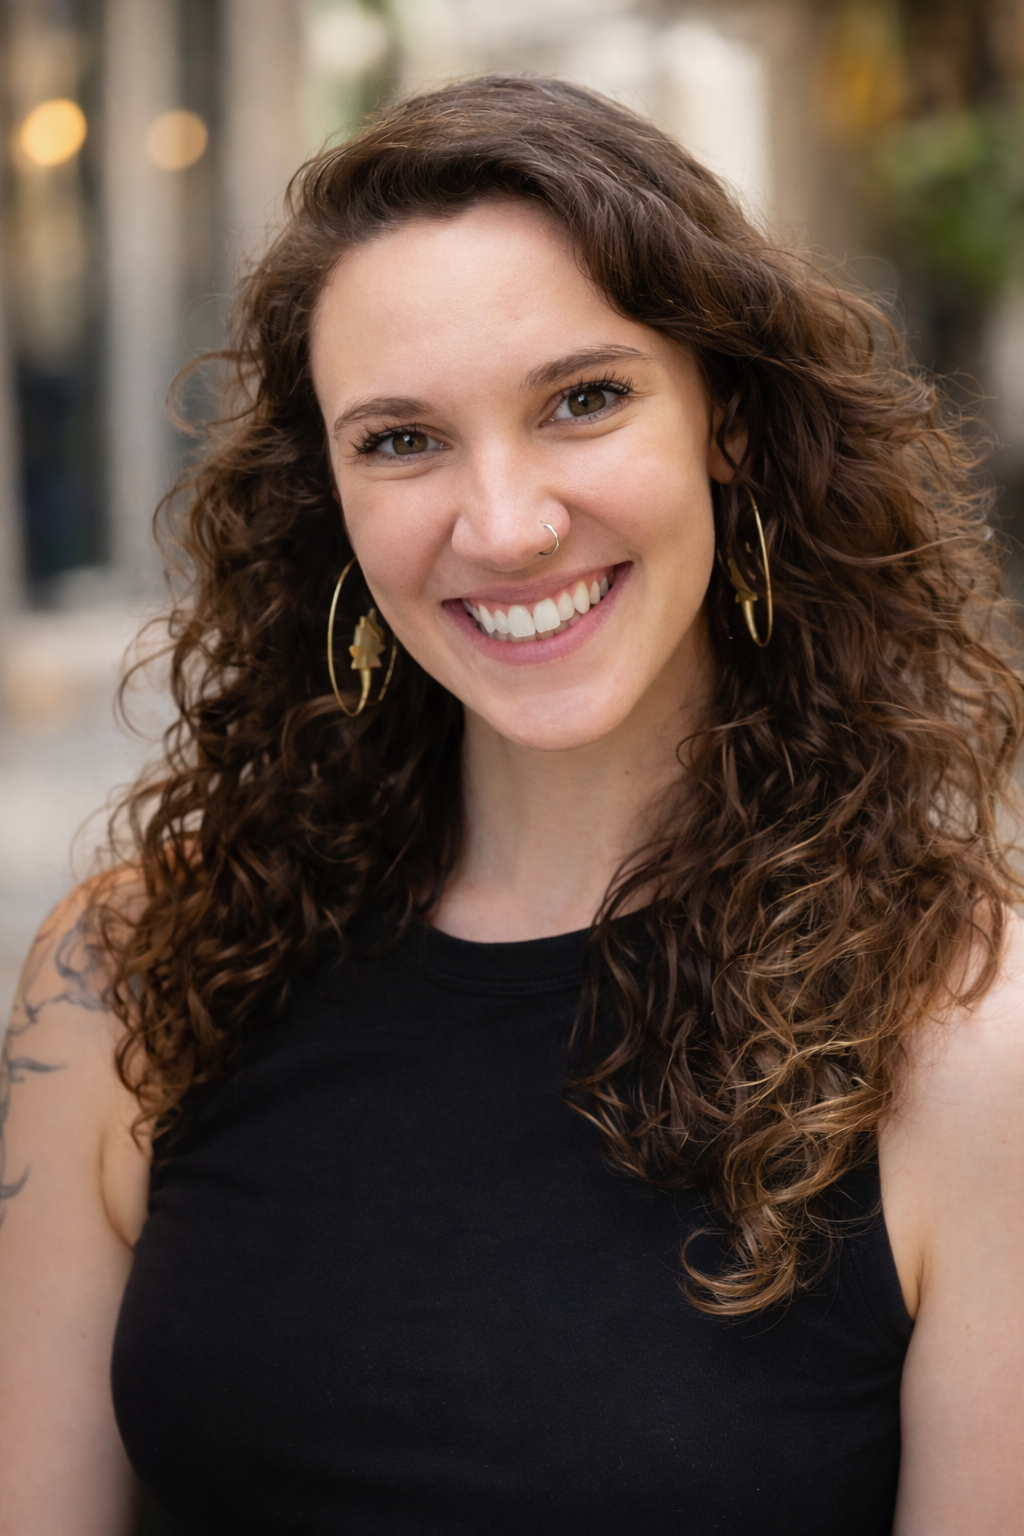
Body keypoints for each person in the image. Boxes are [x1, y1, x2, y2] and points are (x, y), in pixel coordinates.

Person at [1, 75, 1022, 1536]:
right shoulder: (132, 979)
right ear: (330, 496)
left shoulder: (969, 1041)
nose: (505, 526)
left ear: (728, 424)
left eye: (584, 400)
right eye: (401, 439)